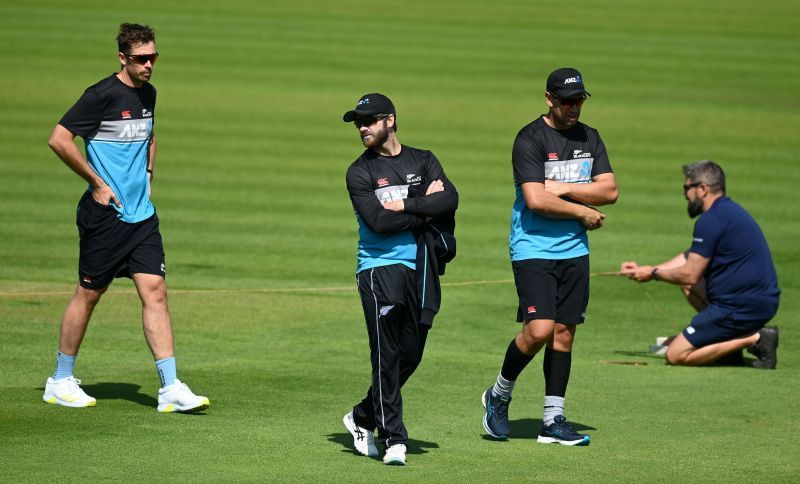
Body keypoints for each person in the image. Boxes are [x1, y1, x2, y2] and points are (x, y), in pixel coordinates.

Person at [44, 23, 209, 413]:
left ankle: (170, 387)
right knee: (89, 294)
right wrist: (97, 184)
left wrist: (148, 175)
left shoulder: (148, 93)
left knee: (155, 291)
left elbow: (149, 134)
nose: (149, 64)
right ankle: (60, 379)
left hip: (142, 218)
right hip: (106, 216)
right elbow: (59, 139)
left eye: (153, 57)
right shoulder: (99, 96)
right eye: (141, 58)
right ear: (123, 58)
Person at [482, 68, 618, 446]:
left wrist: (560, 186)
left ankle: (552, 420)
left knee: (564, 334)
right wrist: (582, 210)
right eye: (566, 101)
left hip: (574, 250)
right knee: (539, 330)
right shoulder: (530, 139)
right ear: (549, 99)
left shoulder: (590, 137)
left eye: (579, 101)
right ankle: (499, 393)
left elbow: (610, 190)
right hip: (532, 248)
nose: (574, 108)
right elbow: (535, 199)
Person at [341, 93, 458, 465]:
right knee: (386, 354)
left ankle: (361, 416)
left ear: (389, 120)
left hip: (421, 271)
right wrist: (424, 207)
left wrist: (405, 204)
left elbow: (450, 200)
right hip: (378, 269)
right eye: (358, 122)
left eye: (368, 120)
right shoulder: (358, 172)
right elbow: (378, 222)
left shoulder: (423, 159)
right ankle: (394, 438)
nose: (362, 127)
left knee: (411, 353)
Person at [620, 160, 780, 368]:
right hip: (757, 302)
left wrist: (655, 273)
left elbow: (689, 274)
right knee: (687, 287)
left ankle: (755, 338)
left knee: (676, 354)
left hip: (738, 307)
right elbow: (691, 257)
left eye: (687, 188)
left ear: (702, 189)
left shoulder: (711, 220)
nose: (685, 194)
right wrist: (648, 271)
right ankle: (727, 347)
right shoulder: (727, 212)